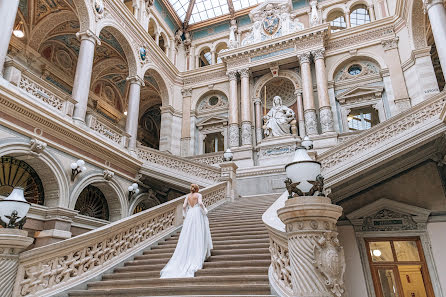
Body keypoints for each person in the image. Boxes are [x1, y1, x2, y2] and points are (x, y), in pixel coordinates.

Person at [160, 184, 213, 278]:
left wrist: (185, 215)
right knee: (198, 232)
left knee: (188, 233)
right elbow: (200, 203)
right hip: (197, 213)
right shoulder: (198, 195)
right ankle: (198, 252)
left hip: (190, 214)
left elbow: (184, 206)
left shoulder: (187, 196)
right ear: (197, 189)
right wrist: (204, 210)